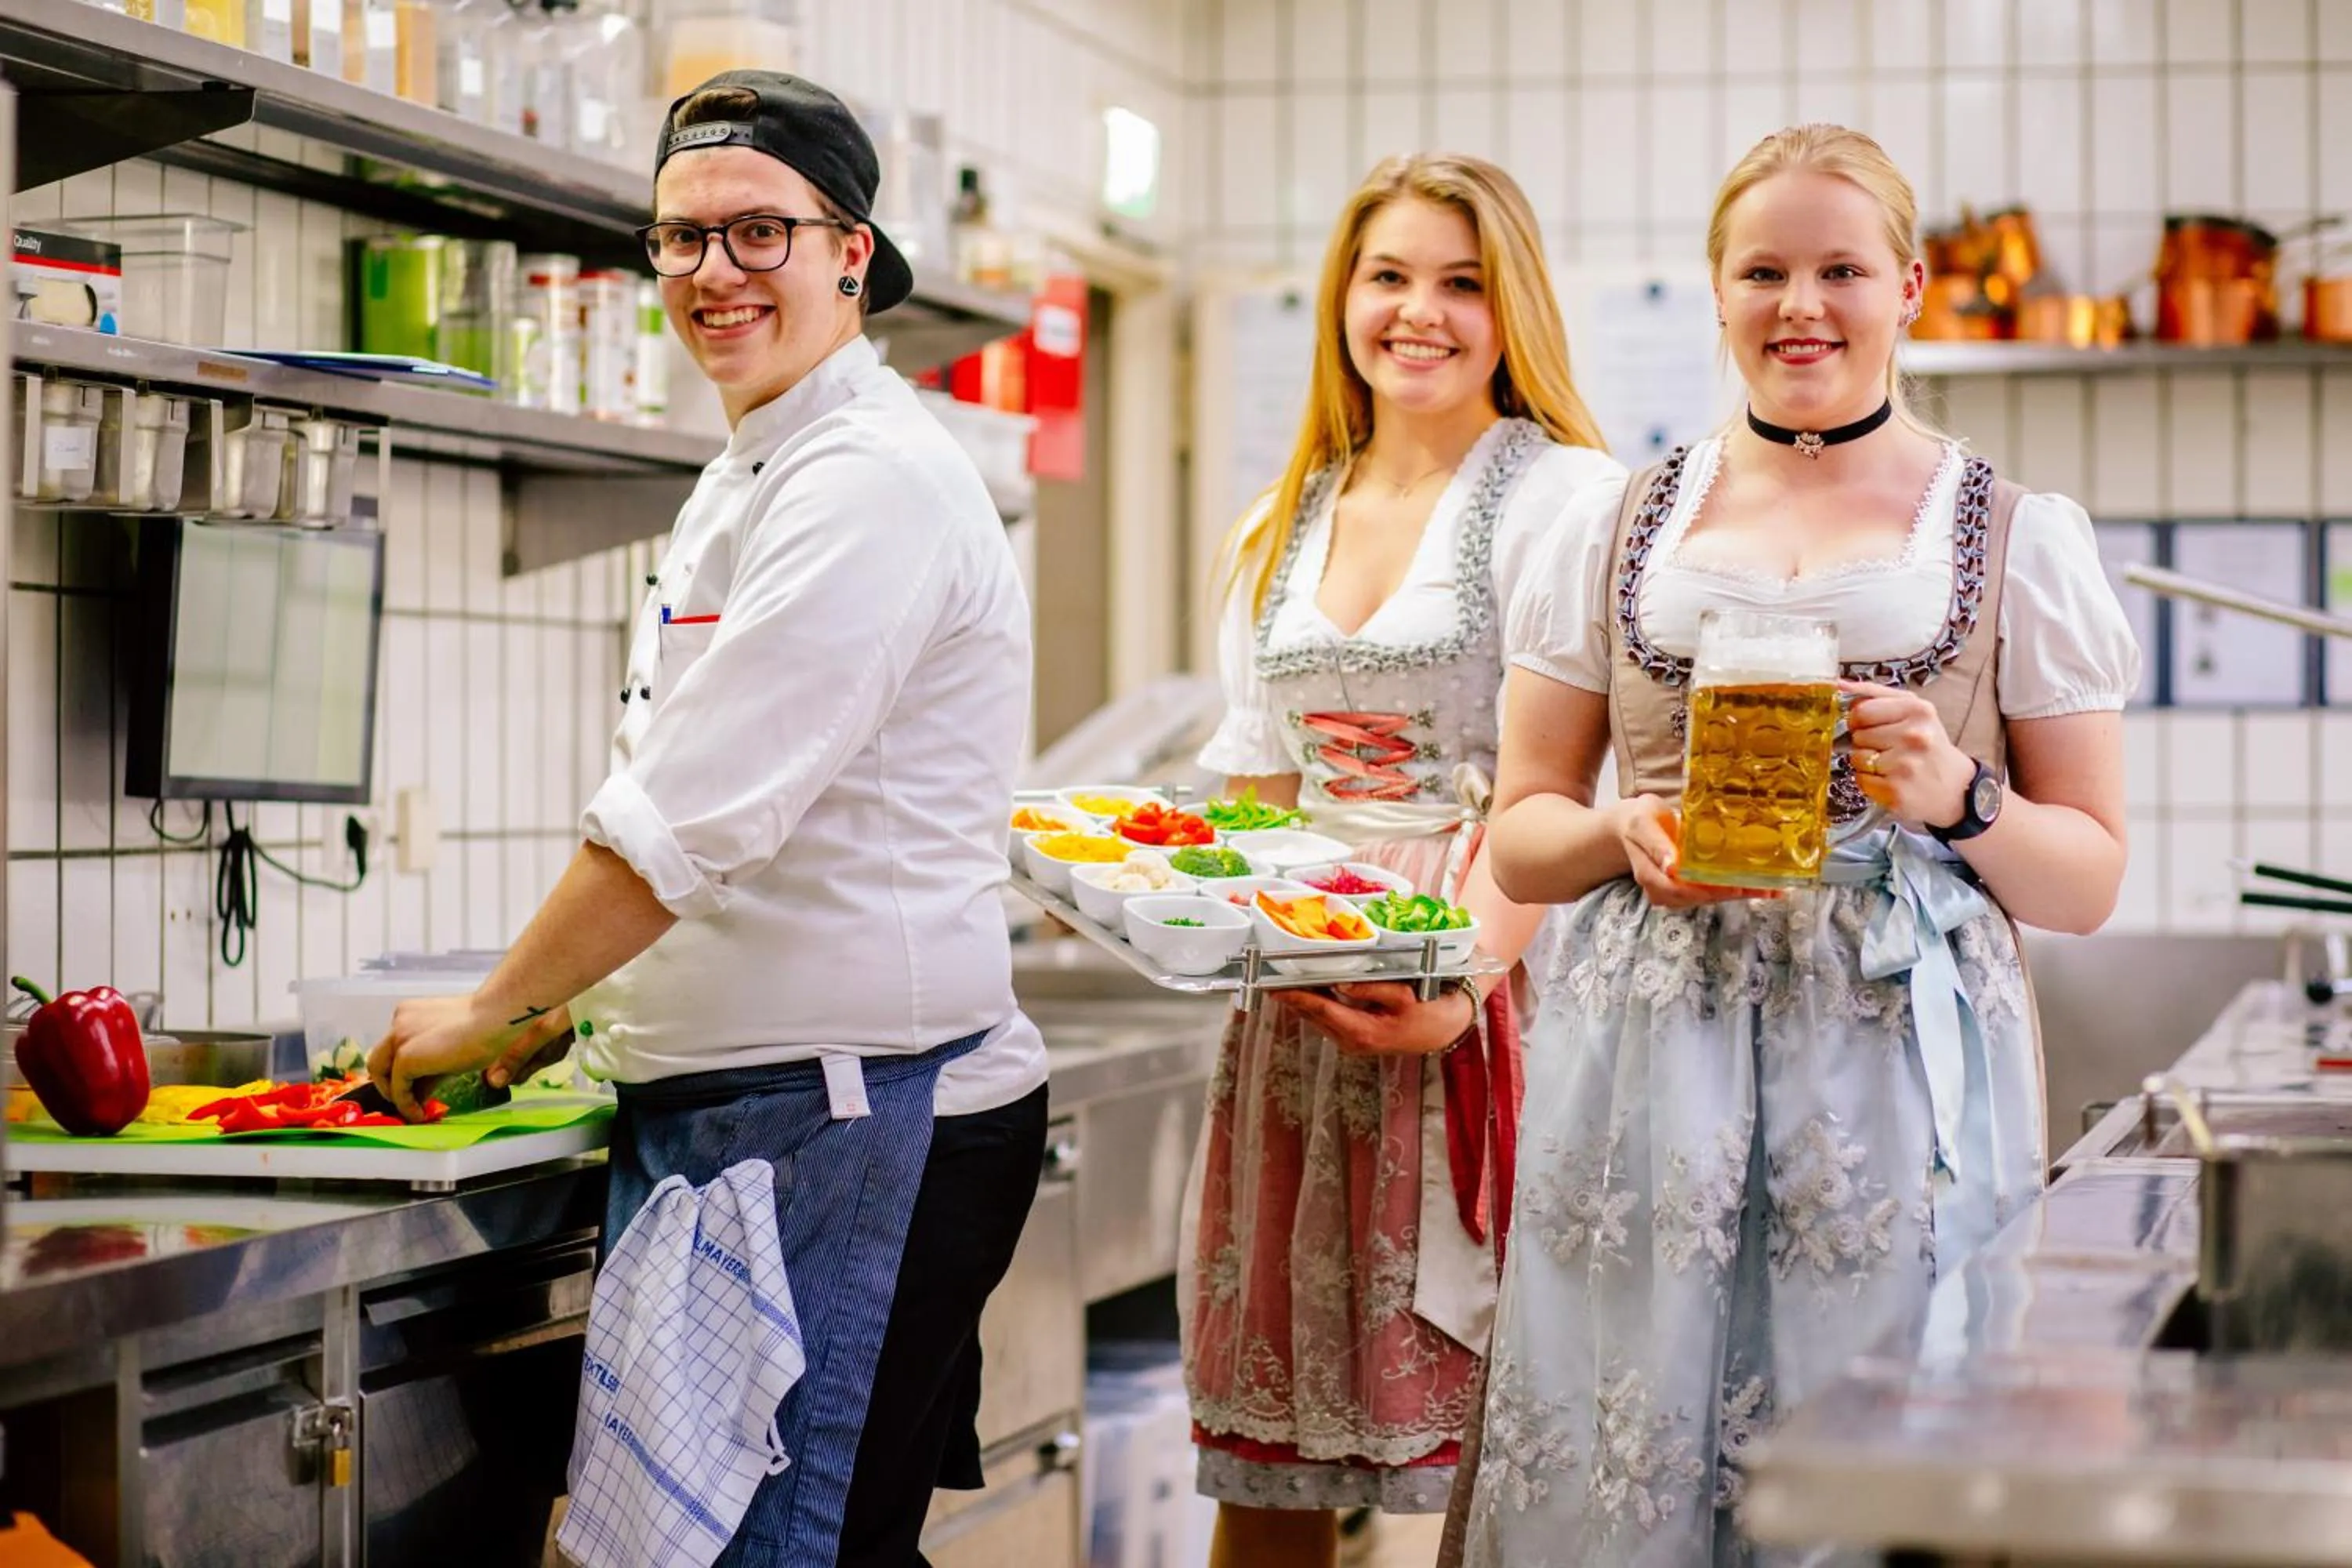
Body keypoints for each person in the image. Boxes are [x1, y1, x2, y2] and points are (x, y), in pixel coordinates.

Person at [367, 71, 1049, 1568]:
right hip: (772, 1116)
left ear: (851, 252)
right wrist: (575, 1013)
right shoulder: (759, 467)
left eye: (758, 235)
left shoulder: (865, 481)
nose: (711, 275)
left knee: (787, 1554)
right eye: (679, 241)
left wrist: (496, 1006)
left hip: (857, 1121)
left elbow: (685, 820)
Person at [1458, 123, 2140, 1566]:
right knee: (1623, 1432)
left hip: (1893, 1057)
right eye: (1763, 269)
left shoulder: (2013, 533)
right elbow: (1518, 839)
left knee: (1872, 1441)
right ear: (1717, 291)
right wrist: (1615, 830)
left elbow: (2087, 875)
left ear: (1909, 286)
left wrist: (1960, 794)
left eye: (1841, 268)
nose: (1801, 304)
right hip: (1651, 1051)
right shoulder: (1607, 521)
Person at [1188, 151, 1623, 1568]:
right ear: (1343, 297)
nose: (1418, 312)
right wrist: (1192, 900)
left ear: (1513, 310)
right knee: (1280, 1448)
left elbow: (1581, 782)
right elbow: (1257, 796)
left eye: (1462, 281)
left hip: (1498, 992)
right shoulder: (1279, 516)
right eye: (1389, 276)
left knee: (1494, 1455)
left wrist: (1460, 969)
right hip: (1306, 998)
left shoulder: (1568, 499)